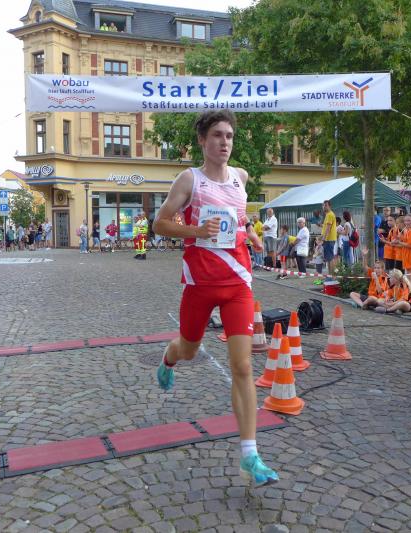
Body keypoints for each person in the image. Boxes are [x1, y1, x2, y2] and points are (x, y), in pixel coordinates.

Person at [151, 110, 277, 486]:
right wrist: (195, 230)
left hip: (237, 282)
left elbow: (237, 218)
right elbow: (159, 224)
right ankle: (169, 358)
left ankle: (250, 455)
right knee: (189, 349)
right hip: (200, 284)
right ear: (203, 141)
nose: (225, 142)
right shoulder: (190, 179)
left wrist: (250, 234)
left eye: (230, 136)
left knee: (243, 366)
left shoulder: (241, 177)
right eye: (218, 135)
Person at [320, 200, 338, 276]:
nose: (324, 207)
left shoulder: (330, 215)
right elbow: (325, 228)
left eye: (326, 205)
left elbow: (328, 228)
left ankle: (331, 275)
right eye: (323, 205)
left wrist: (323, 239)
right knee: (329, 258)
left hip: (329, 239)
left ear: (329, 206)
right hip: (329, 239)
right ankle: (331, 275)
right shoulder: (328, 214)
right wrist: (321, 237)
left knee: (330, 258)